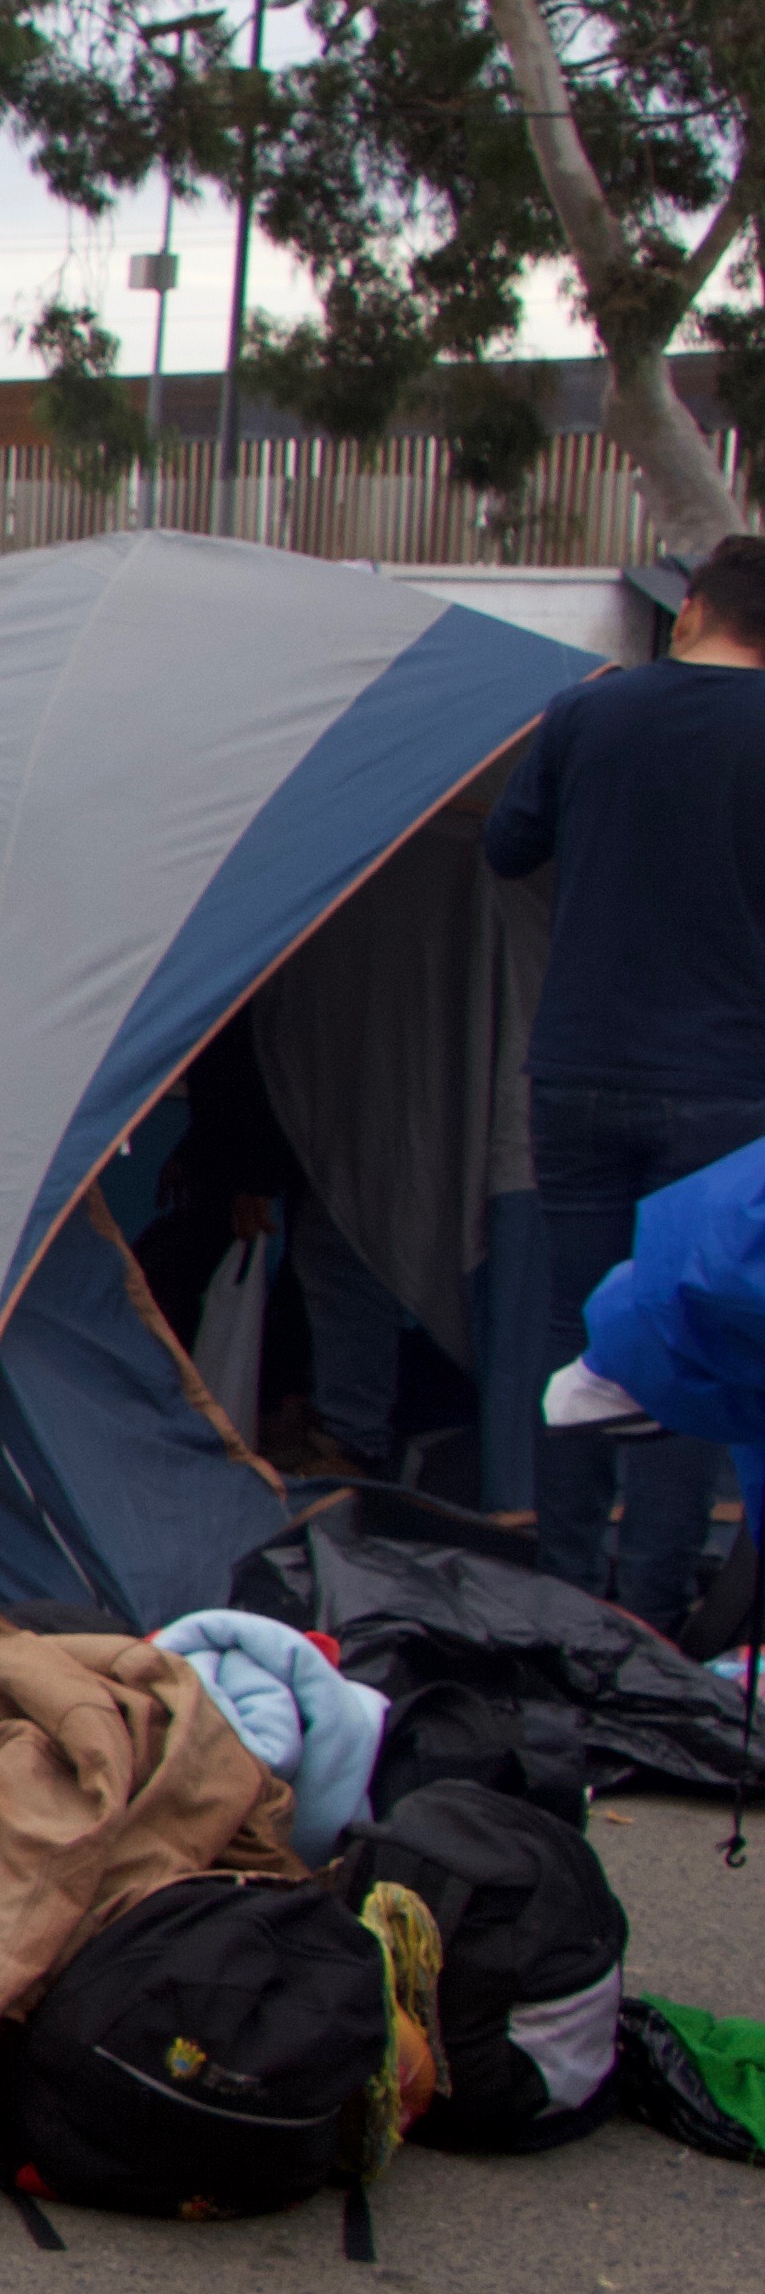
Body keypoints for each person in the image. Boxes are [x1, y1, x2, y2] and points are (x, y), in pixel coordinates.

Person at [487, 534, 765, 1629]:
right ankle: (656, 1619)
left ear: (689, 608)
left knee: (582, 1332)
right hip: (733, 1086)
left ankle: (565, 1604)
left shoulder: (590, 712)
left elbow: (509, 850)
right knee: (700, 1333)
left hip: (583, 1069)